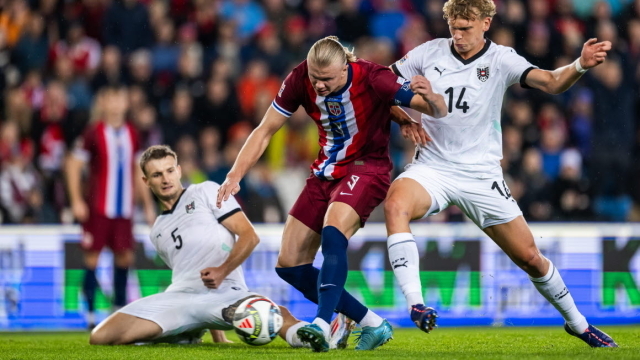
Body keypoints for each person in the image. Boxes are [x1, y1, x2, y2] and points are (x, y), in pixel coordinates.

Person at [384, 0, 617, 348]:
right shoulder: (427, 53)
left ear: (486, 23)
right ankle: (415, 304)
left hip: (481, 176)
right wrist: (403, 117)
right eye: (453, 28)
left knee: (530, 258)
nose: (458, 36)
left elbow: (552, 82)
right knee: (394, 205)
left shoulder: (501, 60)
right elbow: (379, 85)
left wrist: (580, 65)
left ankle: (579, 324)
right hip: (433, 167)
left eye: (466, 28)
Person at [217, 36, 447, 352]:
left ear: (345, 68)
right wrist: (235, 174)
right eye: (315, 78)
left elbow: (428, 107)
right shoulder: (300, 77)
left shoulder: (374, 75)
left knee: (333, 230)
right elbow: (265, 129)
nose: (319, 86)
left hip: (368, 168)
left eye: (326, 79)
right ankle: (372, 323)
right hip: (325, 171)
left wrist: (428, 100)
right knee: (290, 265)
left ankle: (322, 323)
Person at [89, 145, 346, 347]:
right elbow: (189, 270)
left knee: (268, 313)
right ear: (146, 181)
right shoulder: (157, 230)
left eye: (169, 171)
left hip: (225, 293)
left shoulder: (207, 192)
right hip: (178, 299)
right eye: (157, 174)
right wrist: (214, 332)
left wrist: (222, 271)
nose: (165, 178)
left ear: (178, 171)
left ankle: (324, 335)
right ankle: (186, 333)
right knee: (101, 336)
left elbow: (249, 236)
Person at [65, 85, 156, 329]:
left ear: (126, 103)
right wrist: (76, 200)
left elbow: (139, 171)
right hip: (97, 208)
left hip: (124, 209)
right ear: (103, 103)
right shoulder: (93, 133)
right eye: (111, 98)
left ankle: (117, 310)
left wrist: (147, 205)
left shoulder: (133, 133)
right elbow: (73, 164)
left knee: (124, 257)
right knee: (92, 258)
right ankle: (91, 315)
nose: (116, 104)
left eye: (120, 98)